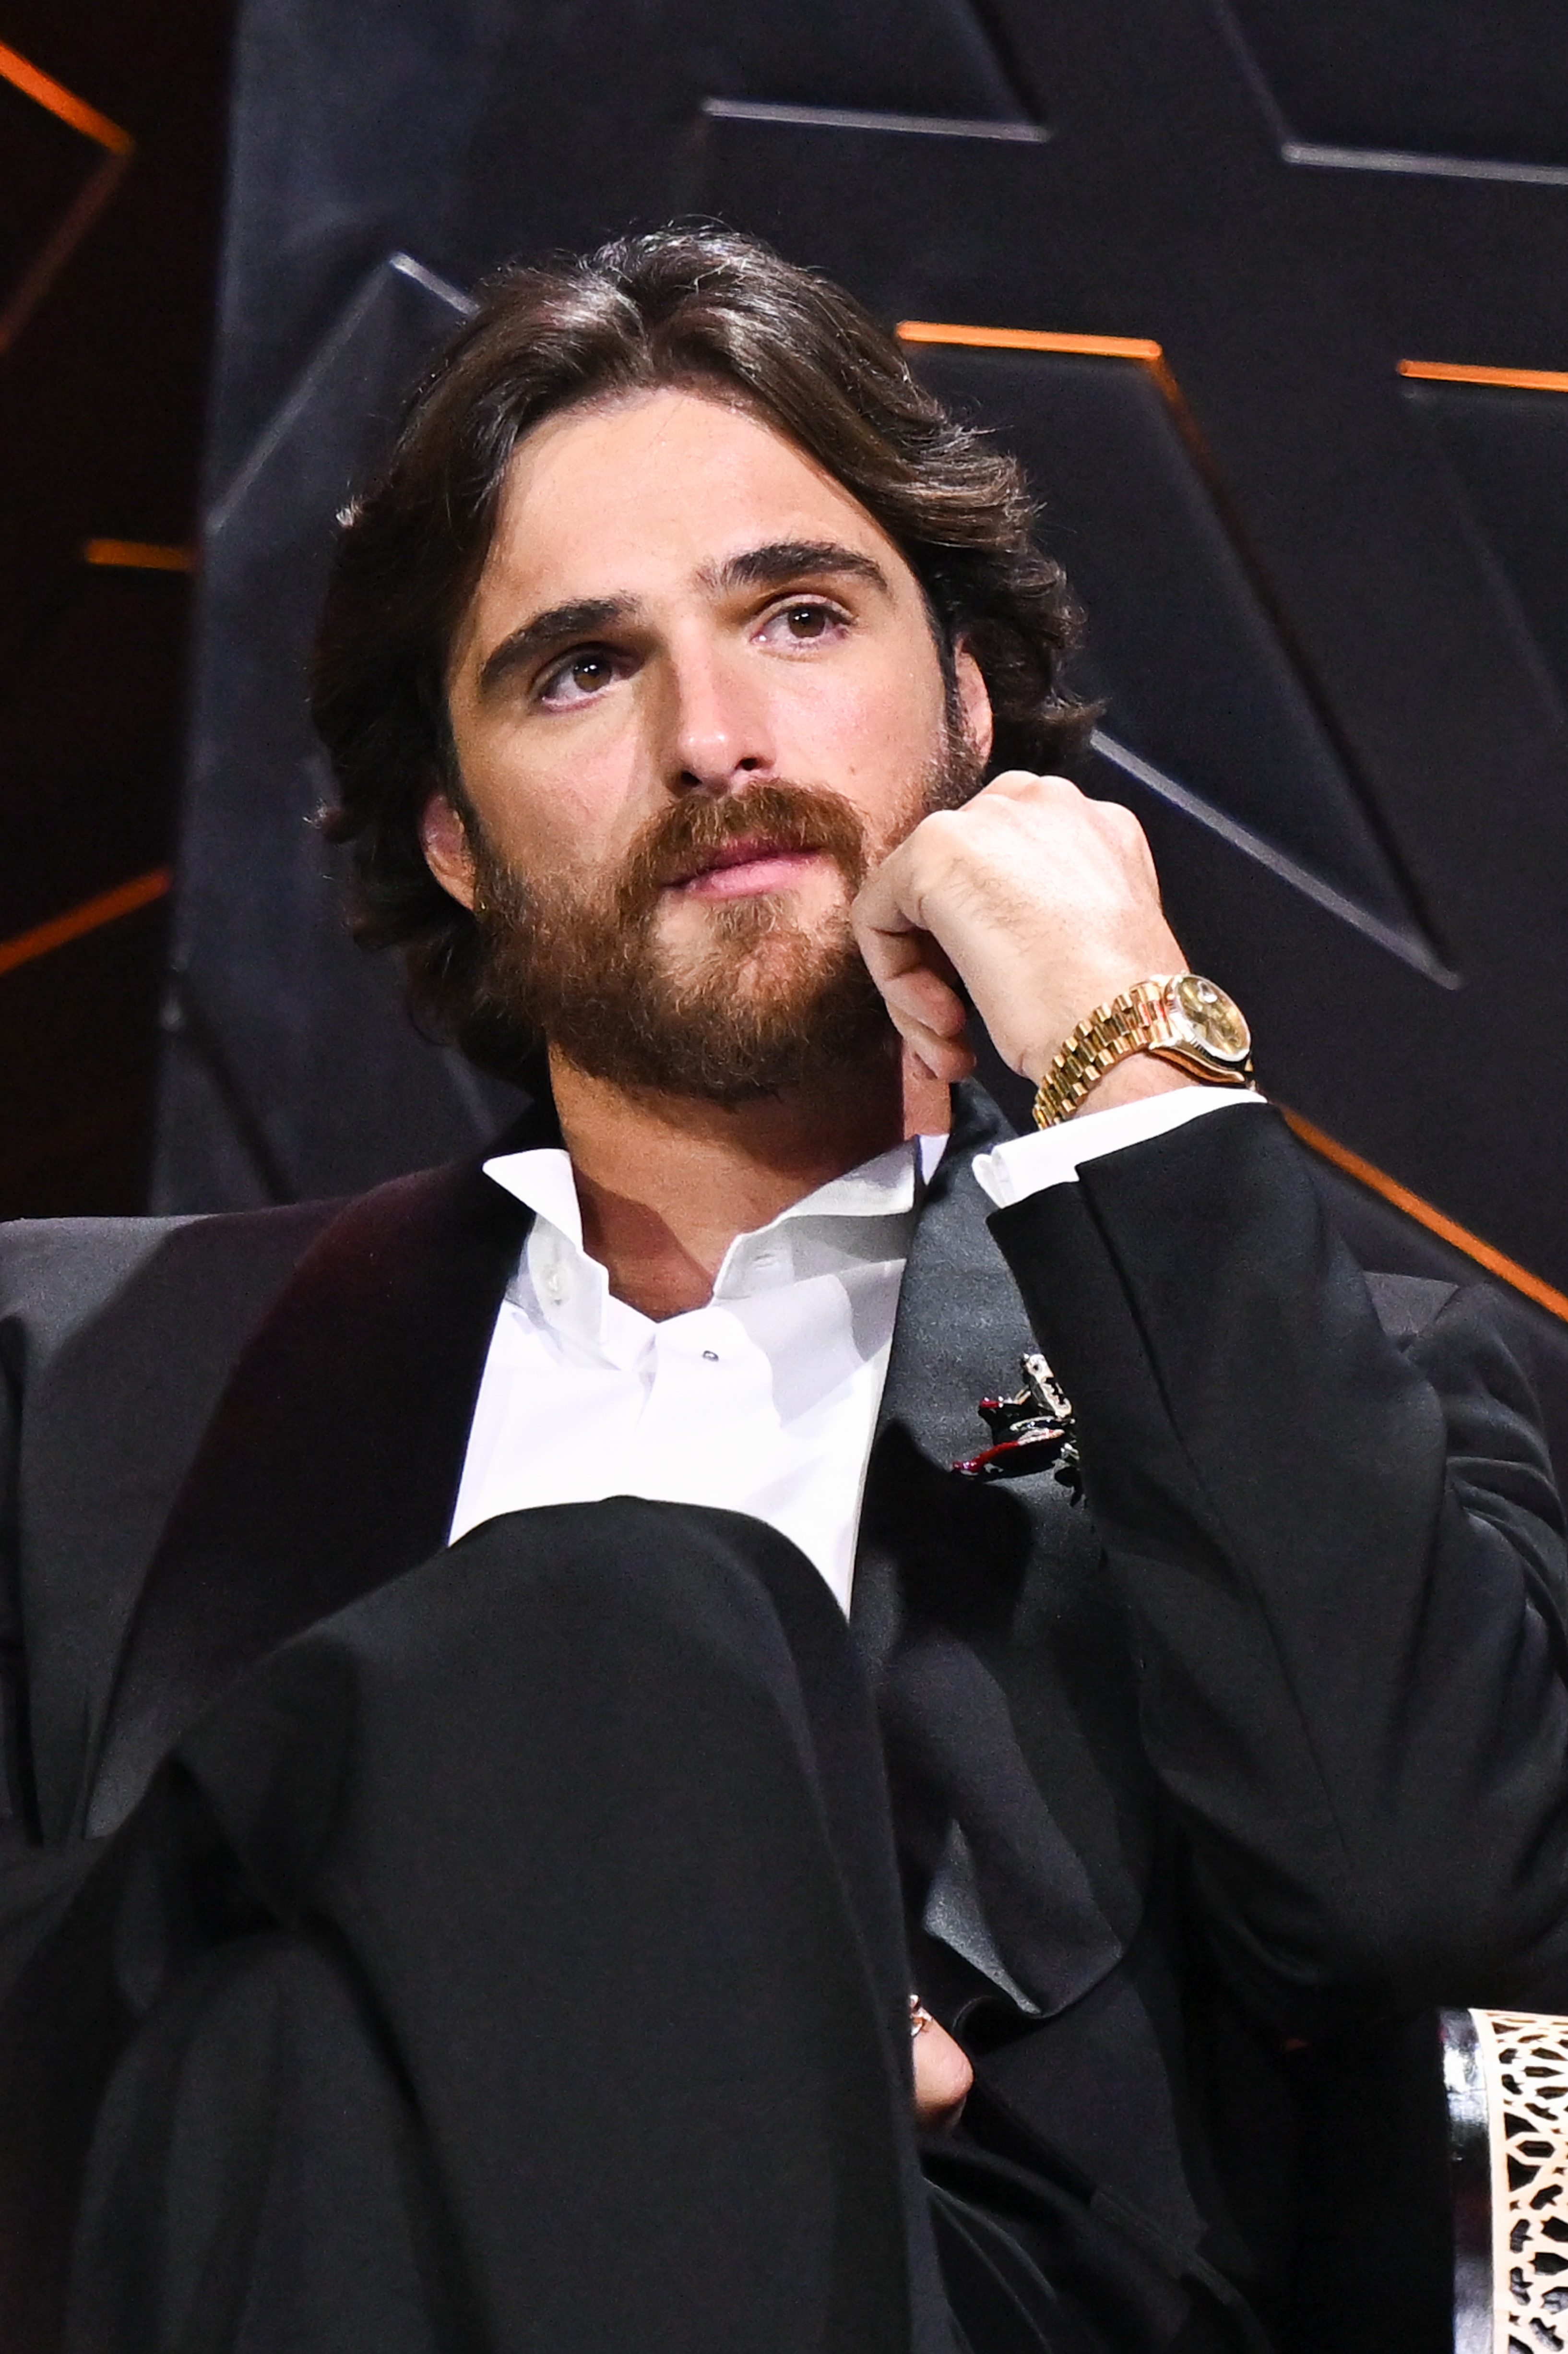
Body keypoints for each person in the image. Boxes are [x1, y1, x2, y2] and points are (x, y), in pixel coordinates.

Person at [2, 227, 1567, 2354]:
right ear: (450, 833)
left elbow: (1425, 1917)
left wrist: (1128, 1058)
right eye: (579, 668)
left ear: (967, 711)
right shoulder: (82, 1376)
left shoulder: (1329, 1385)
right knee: (595, 1644)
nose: (714, 736)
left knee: (644, 1625)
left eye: (800, 618)